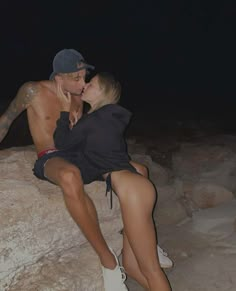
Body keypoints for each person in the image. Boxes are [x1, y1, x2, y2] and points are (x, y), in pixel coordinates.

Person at [0, 49, 172, 290]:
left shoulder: (80, 99)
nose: (82, 84)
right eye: (77, 78)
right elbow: (5, 121)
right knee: (70, 176)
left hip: (79, 155)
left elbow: (86, 138)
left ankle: (140, 239)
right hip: (52, 156)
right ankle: (107, 259)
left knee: (140, 170)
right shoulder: (33, 90)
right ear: (60, 77)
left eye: (85, 78)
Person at [49, 72, 171, 290]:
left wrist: (64, 111)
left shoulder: (95, 120)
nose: (85, 85)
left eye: (91, 84)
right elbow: (93, 153)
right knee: (132, 268)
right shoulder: (108, 119)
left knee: (151, 270)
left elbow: (62, 144)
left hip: (132, 190)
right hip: (135, 184)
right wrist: (78, 127)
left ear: (103, 92)